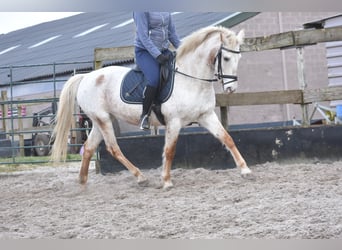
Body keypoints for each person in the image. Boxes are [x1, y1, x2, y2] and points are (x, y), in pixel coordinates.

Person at [133, 12, 181, 130]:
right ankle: (144, 115)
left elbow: (172, 34)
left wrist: (185, 50)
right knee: (154, 79)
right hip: (144, 52)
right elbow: (143, 36)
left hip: (163, 50)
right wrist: (157, 55)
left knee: (179, 71)